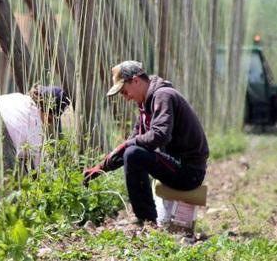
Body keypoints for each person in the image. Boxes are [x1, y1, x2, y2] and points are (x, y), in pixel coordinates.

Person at [83, 61, 209, 224]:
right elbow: (133, 140)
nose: (126, 97)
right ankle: (146, 218)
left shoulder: (163, 96)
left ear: (135, 80)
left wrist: (129, 145)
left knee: (134, 154)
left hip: (189, 172)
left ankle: (146, 220)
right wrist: (101, 167)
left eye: (124, 91)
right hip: (177, 165)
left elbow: (160, 135)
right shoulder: (146, 105)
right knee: (132, 151)